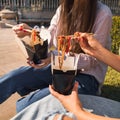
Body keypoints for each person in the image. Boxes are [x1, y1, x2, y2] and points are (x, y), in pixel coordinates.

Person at [0, 0, 112, 106]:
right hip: (60, 68)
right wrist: (30, 32)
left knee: (28, 104)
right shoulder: (63, 8)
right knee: (15, 77)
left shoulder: (102, 13)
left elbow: (94, 60)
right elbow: (49, 35)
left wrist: (55, 57)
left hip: (87, 77)